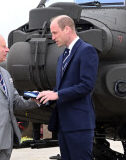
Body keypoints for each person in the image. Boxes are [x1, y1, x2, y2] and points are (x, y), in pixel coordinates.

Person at [38, 15, 99, 160]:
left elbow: (86, 85)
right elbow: (64, 86)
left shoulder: (86, 51)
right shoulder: (63, 55)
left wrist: (57, 95)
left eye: (54, 33)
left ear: (67, 29)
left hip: (79, 124)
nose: (52, 38)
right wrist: (47, 94)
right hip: (64, 124)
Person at [0, 33, 38, 160]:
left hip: (6, 141)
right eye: (4, 46)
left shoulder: (5, 74)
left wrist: (37, 100)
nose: (8, 49)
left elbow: (15, 102)